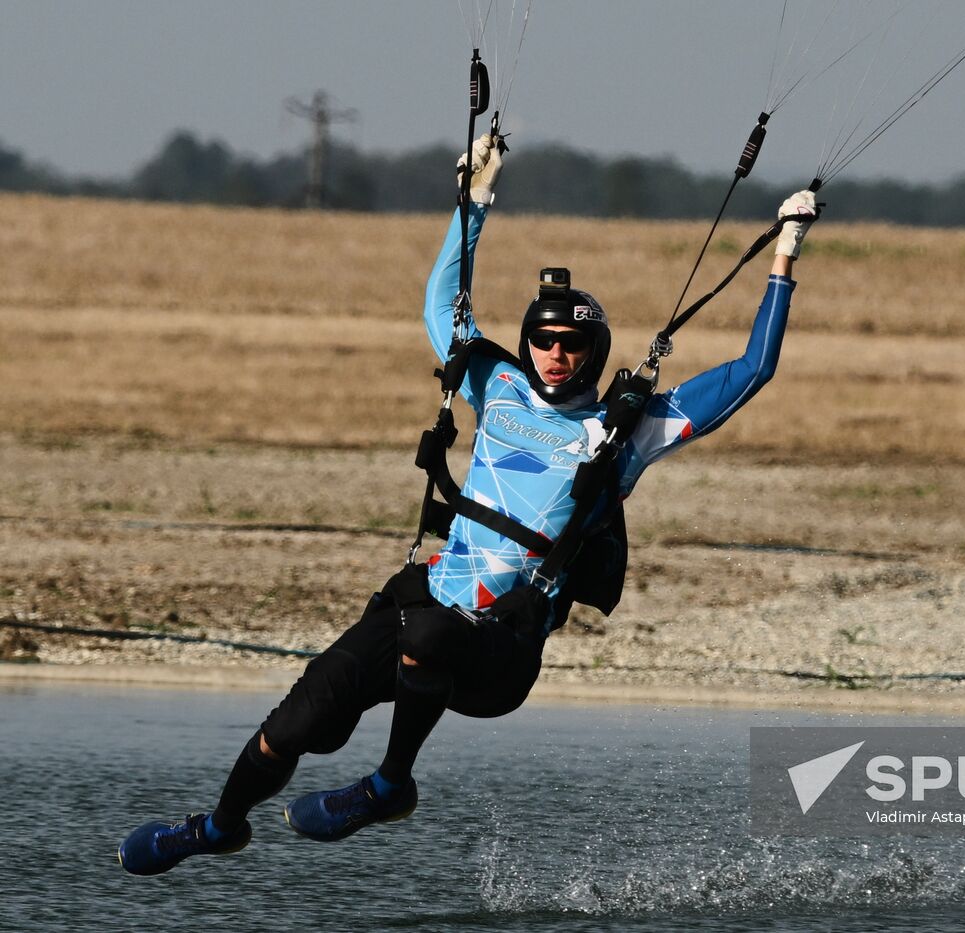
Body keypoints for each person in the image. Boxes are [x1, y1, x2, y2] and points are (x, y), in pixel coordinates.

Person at [117, 135, 817, 875]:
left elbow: (752, 369)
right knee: (298, 719)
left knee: (431, 632)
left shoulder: (625, 429)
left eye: (573, 343)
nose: (556, 353)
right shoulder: (495, 385)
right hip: (428, 604)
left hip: (501, 652)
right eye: (544, 339)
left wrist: (784, 256)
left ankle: (390, 784)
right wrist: (473, 203)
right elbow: (440, 303)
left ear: (595, 347)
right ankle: (221, 825)